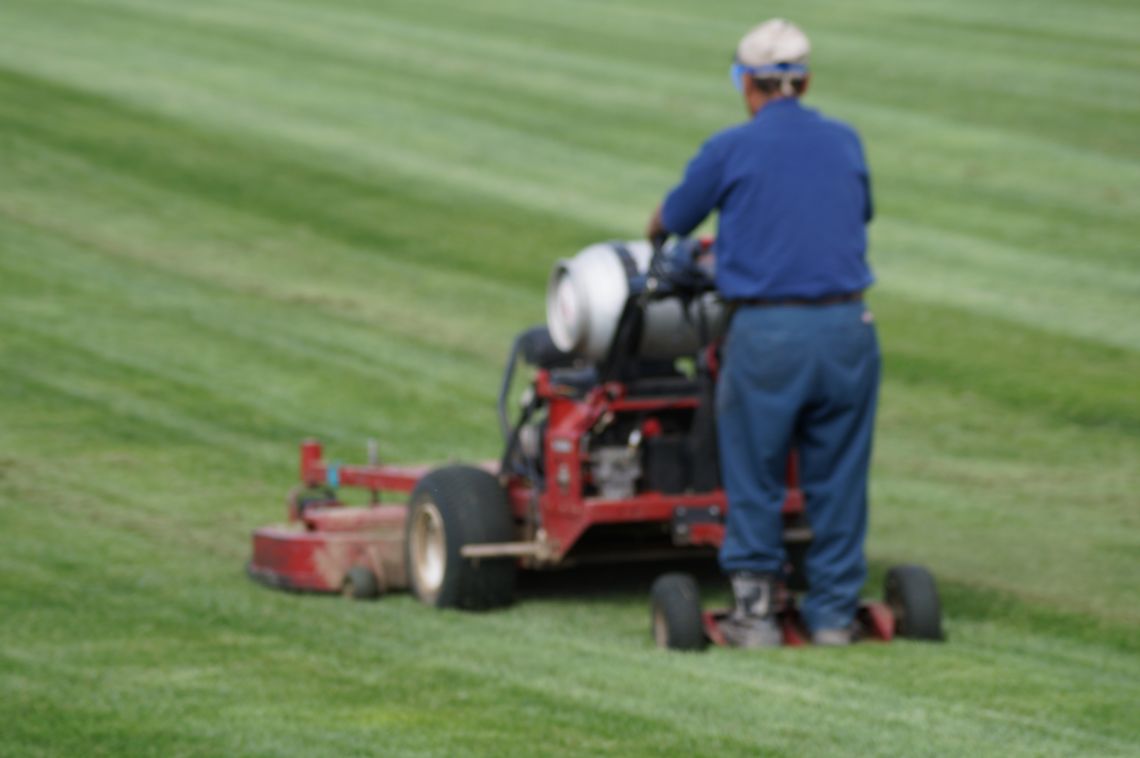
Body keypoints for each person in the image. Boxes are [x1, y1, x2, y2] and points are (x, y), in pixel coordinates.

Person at [647, 19, 878, 647]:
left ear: (748, 84)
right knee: (838, 476)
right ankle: (833, 614)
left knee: (755, 471)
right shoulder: (845, 142)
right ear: (803, 81)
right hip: (848, 328)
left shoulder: (731, 148)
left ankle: (755, 614)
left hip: (770, 331)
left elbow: (671, 219)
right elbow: (852, 216)